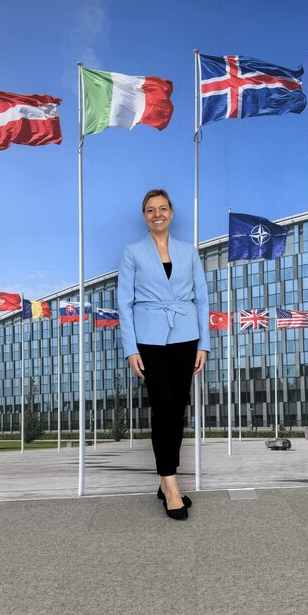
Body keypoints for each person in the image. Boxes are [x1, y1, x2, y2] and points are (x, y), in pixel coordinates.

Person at [117, 189, 210, 520]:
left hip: (186, 337)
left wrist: (204, 344)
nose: (157, 214)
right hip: (149, 340)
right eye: (150, 210)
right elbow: (124, 304)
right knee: (163, 409)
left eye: (163, 208)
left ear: (172, 212)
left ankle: (165, 478)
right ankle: (171, 485)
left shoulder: (189, 251)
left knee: (178, 411)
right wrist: (131, 349)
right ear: (144, 216)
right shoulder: (132, 253)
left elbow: (202, 299)